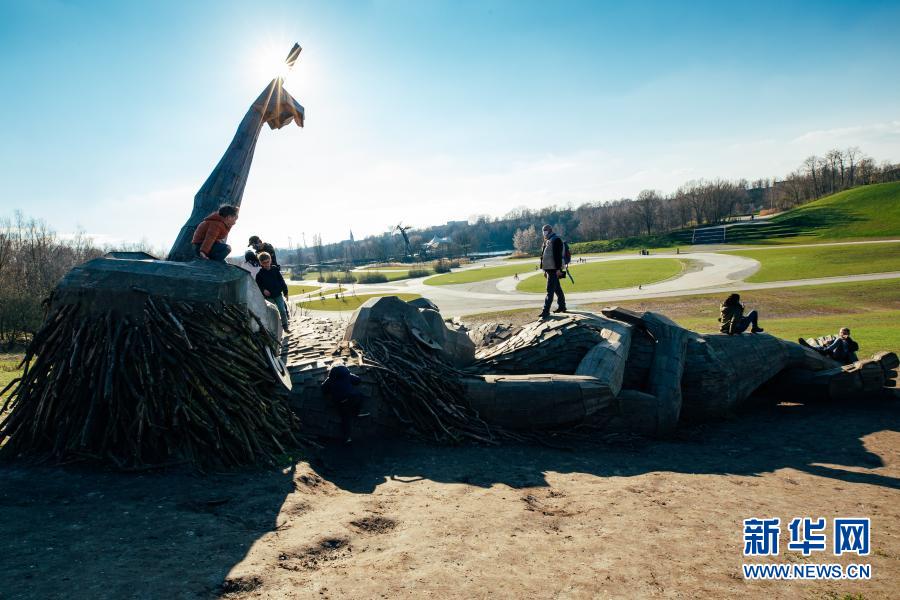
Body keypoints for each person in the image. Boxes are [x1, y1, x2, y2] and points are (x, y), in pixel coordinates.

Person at [321, 363, 369, 443]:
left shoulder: (330, 379)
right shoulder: (347, 375)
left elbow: (323, 389)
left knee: (345, 417)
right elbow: (358, 380)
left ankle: (347, 438)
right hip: (352, 397)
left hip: (340, 401)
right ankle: (357, 412)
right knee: (360, 396)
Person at [255, 251, 290, 333]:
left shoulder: (275, 269)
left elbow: (281, 281)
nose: (266, 264)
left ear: (270, 260)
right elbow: (258, 286)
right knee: (272, 314)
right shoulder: (259, 274)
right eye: (264, 263)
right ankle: (275, 329)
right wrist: (263, 290)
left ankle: (285, 326)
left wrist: (286, 292)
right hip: (268, 297)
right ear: (261, 263)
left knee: (282, 310)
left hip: (278, 294)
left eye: (268, 262)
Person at [539, 224, 566, 319]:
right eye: (543, 230)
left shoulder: (556, 240)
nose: (544, 232)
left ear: (550, 230)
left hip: (554, 269)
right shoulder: (548, 240)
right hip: (549, 269)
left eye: (545, 230)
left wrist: (558, 269)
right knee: (557, 289)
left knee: (549, 290)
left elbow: (557, 256)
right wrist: (544, 270)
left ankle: (545, 311)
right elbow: (544, 256)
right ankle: (562, 306)